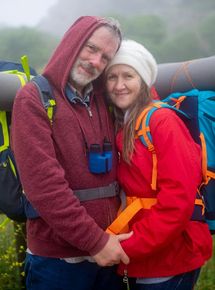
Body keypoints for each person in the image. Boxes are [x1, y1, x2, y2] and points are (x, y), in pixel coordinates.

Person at [11, 16, 132, 290]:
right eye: (91, 48)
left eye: (105, 57)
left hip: (108, 254)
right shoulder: (33, 98)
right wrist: (95, 241)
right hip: (58, 263)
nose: (96, 62)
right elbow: (45, 187)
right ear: (72, 42)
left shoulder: (104, 99)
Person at [105, 39, 212, 290]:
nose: (119, 85)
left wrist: (127, 247)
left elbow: (177, 201)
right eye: (112, 77)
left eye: (128, 75)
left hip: (169, 258)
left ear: (143, 79)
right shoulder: (124, 123)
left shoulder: (163, 121)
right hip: (144, 255)